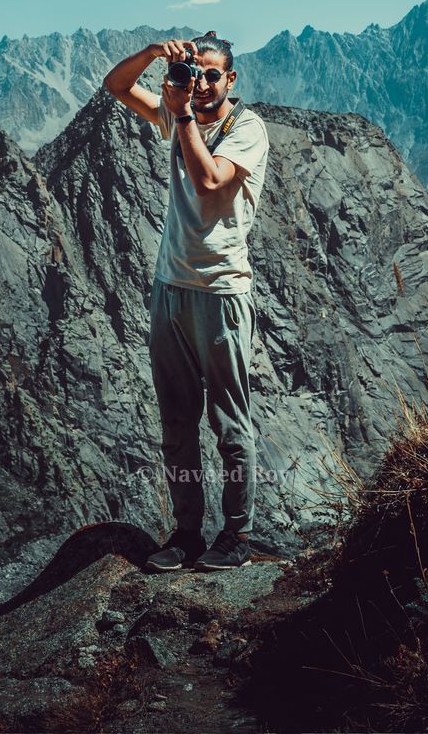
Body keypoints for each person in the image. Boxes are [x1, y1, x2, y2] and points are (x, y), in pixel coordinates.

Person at [103, 31, 269, 572]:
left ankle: (238, 534)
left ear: (232, 79)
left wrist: (180, 117)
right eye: (195, 74)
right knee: (177, 422)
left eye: (212, 75)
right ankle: (187, 531)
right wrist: (154, 55)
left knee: (230, 423)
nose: (201, 84)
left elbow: (208, 180)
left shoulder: (246, 129)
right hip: (170, 289)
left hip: (221, 292)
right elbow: (115, 85)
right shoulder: (180, 114)